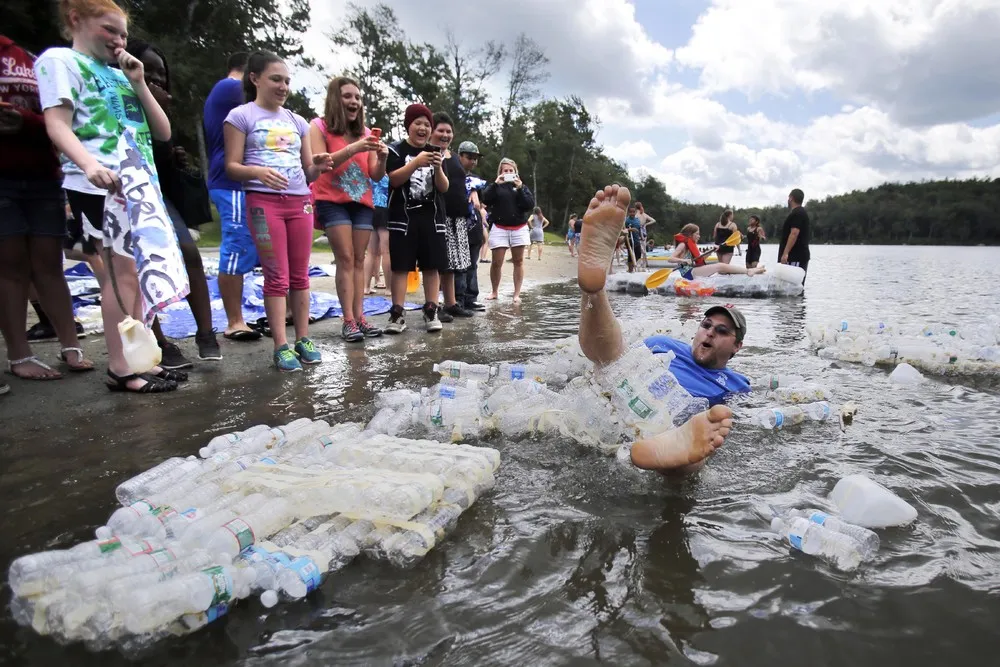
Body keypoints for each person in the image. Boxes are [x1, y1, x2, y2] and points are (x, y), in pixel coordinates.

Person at [38, 0, 187, 394]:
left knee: (136, 274)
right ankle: (121, 367)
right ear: (76, 20)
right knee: (118, 276)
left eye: (123, 33)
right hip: (100, 185)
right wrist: (89, 164)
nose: (119, 40)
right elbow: (57, 124)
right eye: (109, 30)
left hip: (139, 185)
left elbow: (162, 132)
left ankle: (141, 359)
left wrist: (139, 82)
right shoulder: (60, 61)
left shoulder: (120, 74)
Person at [575, 184, 739, 473]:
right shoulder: (664, 344)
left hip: (678, 422)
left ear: (737, 347)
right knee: (613, 359)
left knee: (701, 438)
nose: (710, 332)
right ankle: (594, 290)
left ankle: (673, 450)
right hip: (627, 393)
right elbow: (614, 362)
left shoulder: (738, 384)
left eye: (723, 331)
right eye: (706, 324)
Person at [223, 51, 333, 372]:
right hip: (263, 203)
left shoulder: (297, 122)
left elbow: (308, 172)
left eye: (287, 80)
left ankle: (303, 339)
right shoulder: (240, 116)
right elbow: (231, 166)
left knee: (301, 275)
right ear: (255, 79)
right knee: (276, 276)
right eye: (276, 79)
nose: (283, 86)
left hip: (300, 203)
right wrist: (257, 172)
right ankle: (281, 345)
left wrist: (319, 166)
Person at [0, 33, 93, 384]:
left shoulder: (29, 58)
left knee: (49, 264)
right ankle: (19, 354)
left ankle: (71, 345)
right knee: (11, 266)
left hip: (42, 175)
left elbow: (61, 119)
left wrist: (26, 120)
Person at [127, 39, 221, 367]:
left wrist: (174, 154)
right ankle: (158, 342)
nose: (156, 78)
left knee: (189, 252)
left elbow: (160, 155)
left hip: (157, 193)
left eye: (161, 73)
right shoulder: (119, 101)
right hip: (124, 190)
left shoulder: (161, 105)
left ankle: (206, 333)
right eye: (149, 70)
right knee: (139, 266)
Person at [309, 75, 388, 342]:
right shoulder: (318, 126)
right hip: (332, 201)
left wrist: (383, 158)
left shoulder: (365, 133)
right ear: (335, 99)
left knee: (358, 259)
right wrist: (355, 148)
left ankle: (360, 317)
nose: (354, 101)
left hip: (361, 202)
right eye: (347, 96)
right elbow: (320, 163)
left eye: (357, 97)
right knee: (344, 258)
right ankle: (348, 320)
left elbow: (375, 174)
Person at [204, 52, 261, 343]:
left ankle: (285, 311)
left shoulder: (225, 91)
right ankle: (234, 321)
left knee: (261, 247)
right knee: (237, 246)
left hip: (246, 184)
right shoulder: (230, 88)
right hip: (232, 183)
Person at [383, 103, 450, 334]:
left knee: (432, 266)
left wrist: (438, 168)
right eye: (417, 123)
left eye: (426, 124)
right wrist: (415, 163)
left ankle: (431, 309)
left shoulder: (436, 151)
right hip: (403, 218)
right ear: (408, 126)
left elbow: (444, 187)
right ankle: (397, 313)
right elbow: (393, 180)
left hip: (431, 218)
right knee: (401, 266)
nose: (422, 128)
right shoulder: (396, 150)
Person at [429, 112, 473, 320]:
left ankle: (451, 303)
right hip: (438, 215)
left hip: (457, 217)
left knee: (452, 264)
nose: (445, 135)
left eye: (449, 131)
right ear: (432, 131)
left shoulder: (454, 157)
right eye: (441, 130)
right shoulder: (428, 154)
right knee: (438, 263)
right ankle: (433, 305)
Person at [480, 158, 535, 303]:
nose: (508, 173)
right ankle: (494, 291)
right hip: (500, 228)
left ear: (516, 172)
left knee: (518, 261)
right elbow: (485, 198)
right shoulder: (496, 186)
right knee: (496, 262)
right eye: (505, 171)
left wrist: (520, 188)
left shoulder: (522, 187)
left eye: (511, 170)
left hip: (519, 228)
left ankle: (516, 294)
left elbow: (529, 205)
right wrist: (495, 184)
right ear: (500, 172)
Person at [455, 141, 486, 312]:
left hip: (474, 228)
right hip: (457, 225)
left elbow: (482, 204)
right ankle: (457, 298)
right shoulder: (452, 174)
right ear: (460, 156)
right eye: (469, 157)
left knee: (472, 264)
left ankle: (471, 297)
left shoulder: (477, 181)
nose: (473, 161)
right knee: (459, 265)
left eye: (475, 158)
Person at [669, 224, 766, 278]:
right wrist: (683, 260)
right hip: (689, 273)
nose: (699, 236)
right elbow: (671, 259)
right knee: (720, 266)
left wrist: (711, 251)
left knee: (722, 268)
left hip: (694, 270)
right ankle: (749, 271)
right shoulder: (682, 245)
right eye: (697, 234)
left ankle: (750, 271)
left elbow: (700, 259)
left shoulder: (691, 245)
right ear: (690, 234)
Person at [363, 173, 390, 295]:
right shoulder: (388, 173)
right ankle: (389, 288)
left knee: (370, 252)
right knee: (386, 252)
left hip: (371, 208)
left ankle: (366, 287)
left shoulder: (371, 172)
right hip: (385, 209)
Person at [778, 188, 810, 283]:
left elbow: (794, 233)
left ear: (791, 198)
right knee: (788, 285)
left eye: (789, 197)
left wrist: (785, 253)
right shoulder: (798, 212)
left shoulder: (798, 213)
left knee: (792, 285)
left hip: (795, 256)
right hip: (794, 256)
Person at [635, 201, 656, 269]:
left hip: (638, 232)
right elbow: (653, 220)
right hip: (644, 231)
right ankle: (644, 264)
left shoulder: (636, 215)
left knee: (640, 249)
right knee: (643, 249)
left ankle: (639, 263)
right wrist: (646, 224)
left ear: (636, 208)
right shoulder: (644, 214)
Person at [624, 205, 642, 272]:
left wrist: (641, 236)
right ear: (628, 212)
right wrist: (631, 229)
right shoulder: (626, 220)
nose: (632, 213)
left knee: (639, 254)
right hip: (629, 240)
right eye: (631, 212)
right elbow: (623, 230)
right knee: (630, 255)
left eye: (633, 212)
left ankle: (631, 265)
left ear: (635, 212)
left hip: (637, 240)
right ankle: (630, 269)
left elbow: (639, 229)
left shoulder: (637, 220)